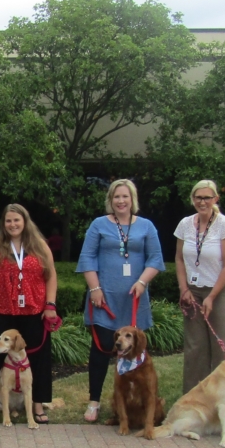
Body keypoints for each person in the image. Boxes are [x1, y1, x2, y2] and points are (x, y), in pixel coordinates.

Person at [77, 180, 165, 423]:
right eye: (116, 197)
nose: (121, 201)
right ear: (110, 199)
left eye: (125, 196)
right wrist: (94, 288)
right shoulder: (99, 224)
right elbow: (87, 258)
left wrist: (142, 282)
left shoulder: (146, 226)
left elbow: (156, 259)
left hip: (134, 298)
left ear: (132, 199)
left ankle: (136, 404)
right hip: (104, 299)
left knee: (136, 353)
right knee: (102, 349)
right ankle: (94, 402)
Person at [0, 204, 61, 424]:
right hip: (1, 310)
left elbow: (50, 276)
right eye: (8, 221)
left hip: (34, 310)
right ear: (3, 224)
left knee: (37, 358)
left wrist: (50, 306)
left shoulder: (39, 245)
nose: (12, 224)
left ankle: (38, 405)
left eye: (17, 220)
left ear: (25, 221)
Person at [174, 180, 225, 394]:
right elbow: (179, 259)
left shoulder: (224, 224)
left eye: (207, 197)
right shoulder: (184, 224)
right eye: (198, 197)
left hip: (220, 290)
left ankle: (223, 400)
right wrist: (184, 289)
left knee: (223, 347)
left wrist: (211, 297)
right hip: (194, 291)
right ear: (193, 199)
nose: (202, 201)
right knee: (195, 350)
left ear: (215, 199)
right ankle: (193, 402)